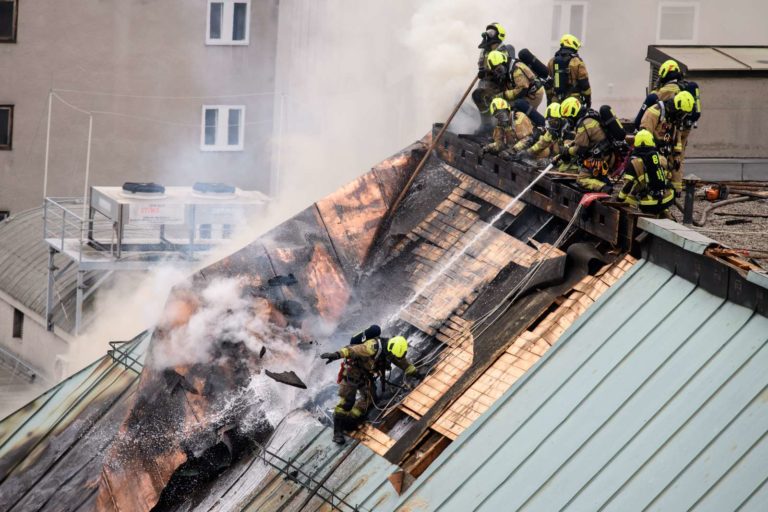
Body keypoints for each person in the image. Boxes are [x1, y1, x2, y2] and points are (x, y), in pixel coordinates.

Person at [321, 327, 419, 444]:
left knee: (369, 400)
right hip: (352, 374)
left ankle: (350, 419)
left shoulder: (391, 350)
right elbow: (352, 350)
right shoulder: (371, 347)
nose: (393, 357)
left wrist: (415, 372)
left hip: (366, 377)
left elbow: (402, 362)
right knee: (347, 402)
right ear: (391, 348)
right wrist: (336, 355)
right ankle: (337, 432)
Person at [557, 97, 620, 192]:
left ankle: (603, 187)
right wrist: (571, 144)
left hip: (600, 160)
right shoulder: (589, 115)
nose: (568, 122)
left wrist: (565, 151)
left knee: (581, 179)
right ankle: (603, 180)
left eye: (568, 119)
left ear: (573, 113)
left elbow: (580, 150)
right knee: (591, 172)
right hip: (609, 155)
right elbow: (584, 139)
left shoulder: (582, 124)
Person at [639, 90, 695, 195]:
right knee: (663, 163)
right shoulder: (654, 113)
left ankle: (675, 190)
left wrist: (677, 154)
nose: (682, 116)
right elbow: (644, 135)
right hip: (651, 151)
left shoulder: (673, 117)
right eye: (682, 113)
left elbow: (677, 137)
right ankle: (654, 189)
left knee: (676, 163)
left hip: (665, 149)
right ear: (676, 107)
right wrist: (656, 146)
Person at [617, 129, 675, 216]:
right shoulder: (660, 158)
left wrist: (620, 199)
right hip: (666, 199)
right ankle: (665, 211)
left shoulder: (634, 162)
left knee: (629, 199)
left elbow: (628, 185)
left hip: (648, 204)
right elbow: (668, 176)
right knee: (664, 193)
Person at [472, 23, 515, 134]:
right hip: (487, 82)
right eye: (488, 32)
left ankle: (498, 126)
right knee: (478, 96)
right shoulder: (485, 51)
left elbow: (502, 71)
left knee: (484, 97)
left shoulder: (503, 50)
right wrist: (482, 71)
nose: (488, 35)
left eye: (491, 32)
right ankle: (486, 123)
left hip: (500, 84)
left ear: (499, 36)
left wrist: (487, 71)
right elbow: (481, 64)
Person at [633, 59, 702, 128]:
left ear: (664, 72)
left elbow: (655, 99)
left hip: (666, 128)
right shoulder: (685, 87)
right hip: (681, 128)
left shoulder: (669, 89)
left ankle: (635, 128)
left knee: (651, 98)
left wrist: (654, 92)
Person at [546, 34, 591, 107]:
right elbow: (585, 84)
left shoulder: (552, 61)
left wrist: (549, 100)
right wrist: (588, 101)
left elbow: (548, 82)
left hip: (556, 100)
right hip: (573, 101)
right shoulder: (577, 62)